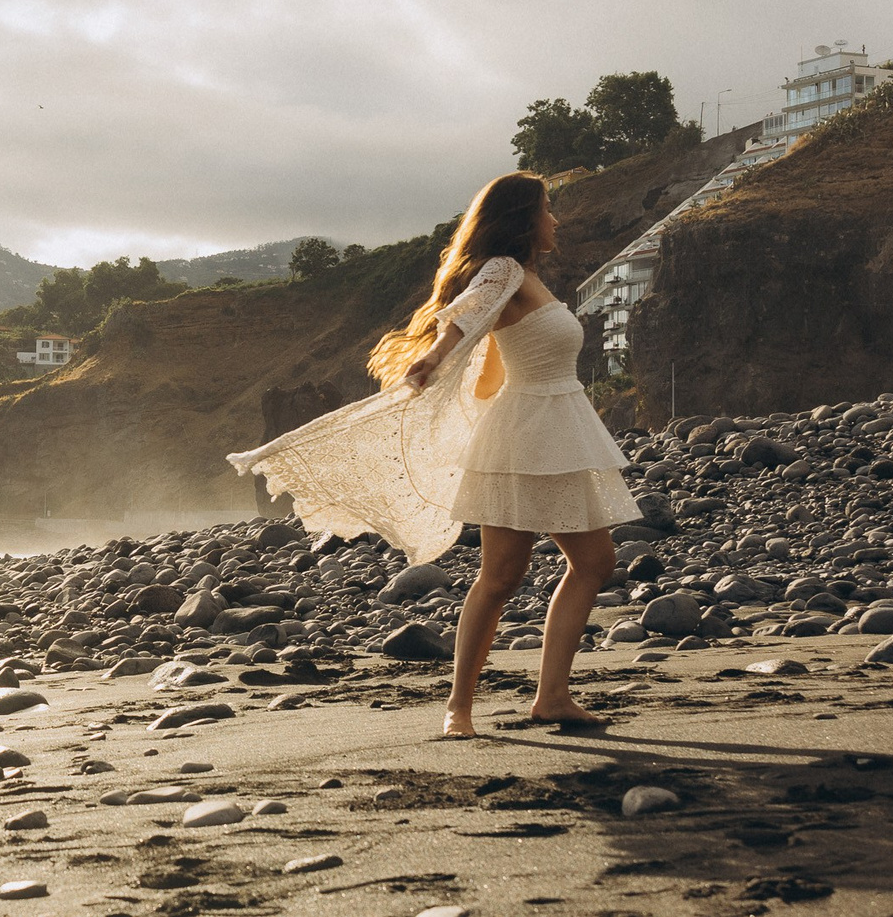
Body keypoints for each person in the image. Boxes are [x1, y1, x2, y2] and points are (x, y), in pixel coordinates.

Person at [229, 170, 639, 738]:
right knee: (501, 577)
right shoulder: (504, 270)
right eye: (547, 208)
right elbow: (468, 312)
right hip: (525, 436)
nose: (555, 219)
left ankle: (551, 697)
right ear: (522, 218)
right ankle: (459, 709)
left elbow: (492, 344)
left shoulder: (532, 279)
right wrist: (433, 358)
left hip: (558, 429)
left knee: (591, 563)